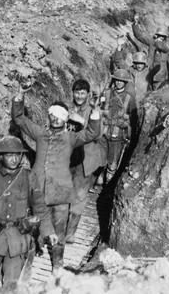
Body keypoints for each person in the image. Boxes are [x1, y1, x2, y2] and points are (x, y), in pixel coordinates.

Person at [11, 89, 101, 270]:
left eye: (60, 116)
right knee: (33, 227)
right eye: (52, 115)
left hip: (60, 193)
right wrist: (19, 97)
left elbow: (91, 133)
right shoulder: (40, 133)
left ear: (66, 119)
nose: (55, 119)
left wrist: (95, 112)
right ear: (49, 116)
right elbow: (19, 118)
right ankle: (28, 263)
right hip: (37, 191)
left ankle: (57, 266)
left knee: (59, 231)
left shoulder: (71, 138)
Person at [0, 136, 52, 291]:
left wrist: (48, 232)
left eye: (17, 155)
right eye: (9, 155)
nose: (14, 159)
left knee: (12, 286)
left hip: (17, 239)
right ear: (1, 156)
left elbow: (40, 206)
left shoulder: (29, 177)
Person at [66, 79, 107, 243]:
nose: (79, 96)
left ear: (87, 94)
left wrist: (81, 121)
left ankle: (70, 232)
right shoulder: (68, 108)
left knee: (80, 194)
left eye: (83, 93)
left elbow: (97, 134)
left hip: (87, 158)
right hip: (69, 157)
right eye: (77, 92)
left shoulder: (93, 111)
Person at [101, 69, 137, 184]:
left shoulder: (129, 98)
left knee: (113, 162)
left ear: (125, 83)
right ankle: (97, 181)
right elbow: (100, 110)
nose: (119, 83)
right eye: (117, 80)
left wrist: (130, 134)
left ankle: (108, 186)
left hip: (118, 134)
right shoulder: (106, 93)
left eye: (121, 81)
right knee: (100, 159)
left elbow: (134, 117)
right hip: (104, 131)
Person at [132, 14, 169, 90]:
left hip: (160, 75)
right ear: (156, 36)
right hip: (149, 72)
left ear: (165, 38)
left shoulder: (166, 46)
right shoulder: (152, 42)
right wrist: (136, 24)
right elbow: (140, 36)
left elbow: (166, 51)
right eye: (159, 36)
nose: (160, 38)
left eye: (162, 37)